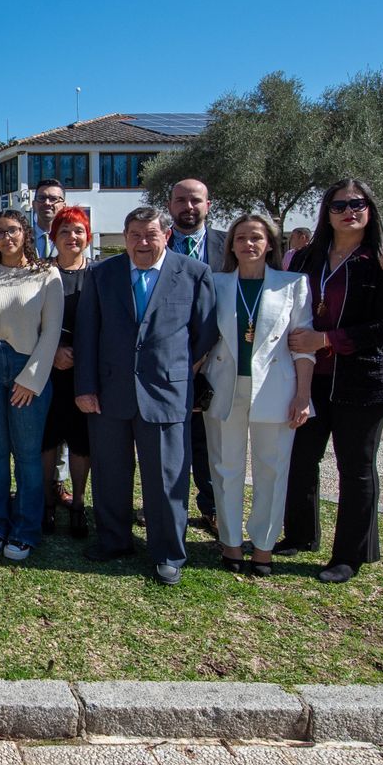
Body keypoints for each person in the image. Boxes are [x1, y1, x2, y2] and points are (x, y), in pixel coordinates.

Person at [76, 206, 217, 586]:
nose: (142, 242)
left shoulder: (193, 274)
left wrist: (177, 368)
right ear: (125, 237)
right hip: (109, 393)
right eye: (134, 235)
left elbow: (204, 332)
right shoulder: (102, 274)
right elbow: (87, 334)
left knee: (167, 478)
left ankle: (168, 552)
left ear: (166, 235)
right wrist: (85, 387)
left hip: (167, 392)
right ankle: (113, 540)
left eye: (150, 235)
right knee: (110, 473)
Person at [281, 179, 383, 583]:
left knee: (355, 467)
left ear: (370, 209)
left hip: (365, 380)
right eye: (339, 205)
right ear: (327, 212)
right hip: (311, 377)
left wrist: (328, 339)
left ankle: (350, 555)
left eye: (358, 204)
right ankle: (301, 535)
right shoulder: (307, 258)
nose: (348, 211)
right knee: (301, 459)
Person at [202, 215, 315, 576]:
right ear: (231, 245)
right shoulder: (215, 283)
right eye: (240, 238)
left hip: (276, 389)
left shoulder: (294, 284)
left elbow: (303, 347)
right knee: (225, 468)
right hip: (225, 387)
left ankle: (264, 546)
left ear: (270, 244)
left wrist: (303, 395)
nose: (248, 244)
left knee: (272, 469)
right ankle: (231, 542)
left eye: (256, 238)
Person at [0, 209, 64, 561]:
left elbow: (51, 331)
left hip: (29, 368)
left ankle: (25, 530)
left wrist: (32, 379)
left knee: (27, 455)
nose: (8, 237)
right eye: (0, 232)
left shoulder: (46, 274)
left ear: (26, 234)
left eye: (14, 230)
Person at [167, 178, 226, 531]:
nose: (188, 206)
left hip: (218, 357)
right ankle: (163, 503)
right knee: (168, 438)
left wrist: (202, 356)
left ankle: (211, 506)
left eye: (195, 200)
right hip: (168, 360)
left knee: (208, 439)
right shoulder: (154, 242)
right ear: (170, 204)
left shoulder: (227, 246)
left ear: (208, 204)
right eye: (180, 200)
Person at [40, 208, 94, 537]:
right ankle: (47, 502)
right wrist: (53, 353)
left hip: (84, 374)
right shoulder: (41, 273)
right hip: (46, 372)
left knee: (81, 442)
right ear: (53, 238)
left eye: (78, 231)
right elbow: (30, 321)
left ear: (87, 236)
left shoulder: (99, 275)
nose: (71, 238)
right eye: (64, 231)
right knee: (47, 440)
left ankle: (78, 505)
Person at [29, 179, 66, 259]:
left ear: (64, 206)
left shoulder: (73, 239)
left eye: (53, 199)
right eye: (42, 198)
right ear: (34, 204)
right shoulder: (23, 238)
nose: (47, 203)